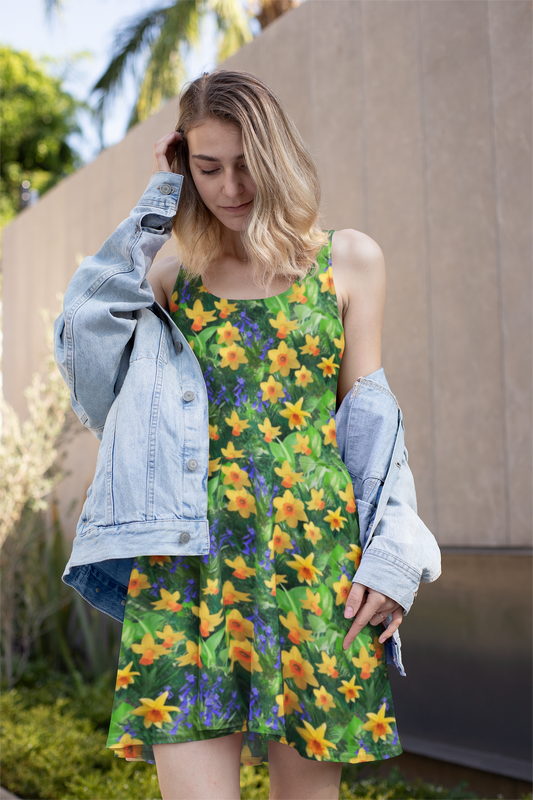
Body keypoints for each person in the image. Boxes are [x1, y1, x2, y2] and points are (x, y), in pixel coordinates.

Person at [54, 70, 441, 800]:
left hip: (313, 562)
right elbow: (82, 342)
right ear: (183, 166)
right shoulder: (172, 278)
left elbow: (373, 429)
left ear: (278, 158)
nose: (229, 186)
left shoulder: (348, 261)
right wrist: (156, 204)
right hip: (187, 566)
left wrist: (391, 558)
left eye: (245, 165)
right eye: (206, 167)